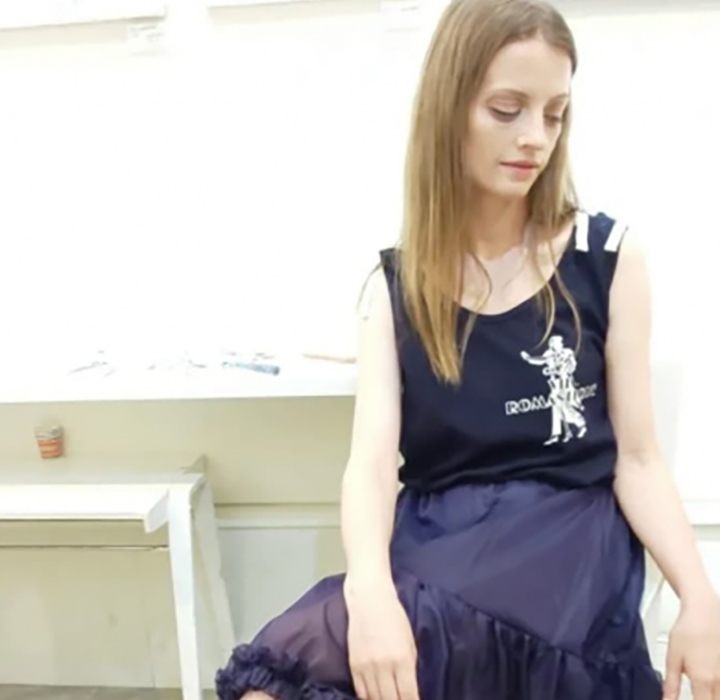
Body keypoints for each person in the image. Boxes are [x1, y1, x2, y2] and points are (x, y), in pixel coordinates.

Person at [216, 1, 720, 698]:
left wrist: (700, 596)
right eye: (507, 110)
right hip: (436, 546)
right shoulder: (395, 287)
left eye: (555, 114)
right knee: (274, 681)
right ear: (449, 109)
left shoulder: (605, 257)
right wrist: (369, 594)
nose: (535, 138)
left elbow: (638, 460)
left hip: (564, 550)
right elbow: (370, 467)